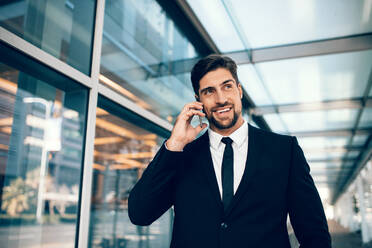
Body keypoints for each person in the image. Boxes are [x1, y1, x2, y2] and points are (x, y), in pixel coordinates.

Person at [128, 54, 331, 248]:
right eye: (209, 91)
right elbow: (140, 213)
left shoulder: (285, 151)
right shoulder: (181, 156)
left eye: (227, 87)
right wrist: (174, 145)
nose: (221, 99)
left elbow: (315, 233)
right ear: (198, 99)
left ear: (239, 90)